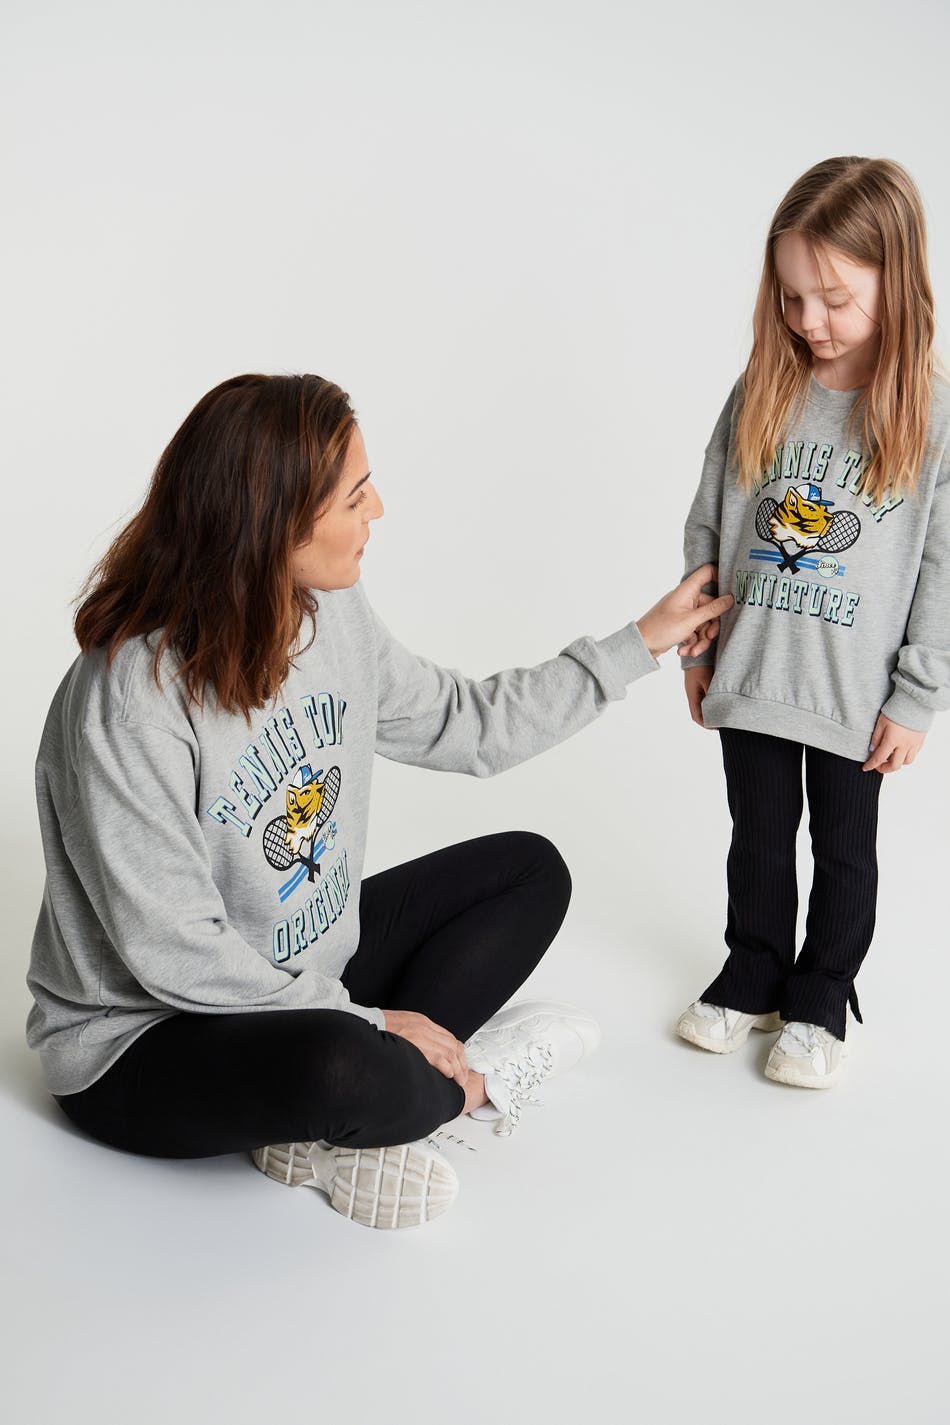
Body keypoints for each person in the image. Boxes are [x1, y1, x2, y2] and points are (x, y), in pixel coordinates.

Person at [26, 372, 732, 1229]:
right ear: (276, 521)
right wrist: (369, 1021)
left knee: (529, 871)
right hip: (146, 1041)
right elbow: (173, 952)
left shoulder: (326, 608)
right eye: (355, 495)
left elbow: (464, 723)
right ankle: (455, 1086)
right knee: (340, 1066)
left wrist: (641, 642)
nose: (380, 510)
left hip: (297, 981)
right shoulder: (131, 698)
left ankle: (342, 1116)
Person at [675, 156, 950, 1088]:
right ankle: (752, 970)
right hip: (753, 668)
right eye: (792, 297)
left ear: (896, 282)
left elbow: (943, 570)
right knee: (756, 834)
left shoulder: (931, 416)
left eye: (834, 299)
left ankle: (823, 992)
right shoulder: (765, 384)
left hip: (854, 692)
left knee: (843, 849)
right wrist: (699, 644)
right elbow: (710, 520)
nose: (809, 320)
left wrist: (916, 694)